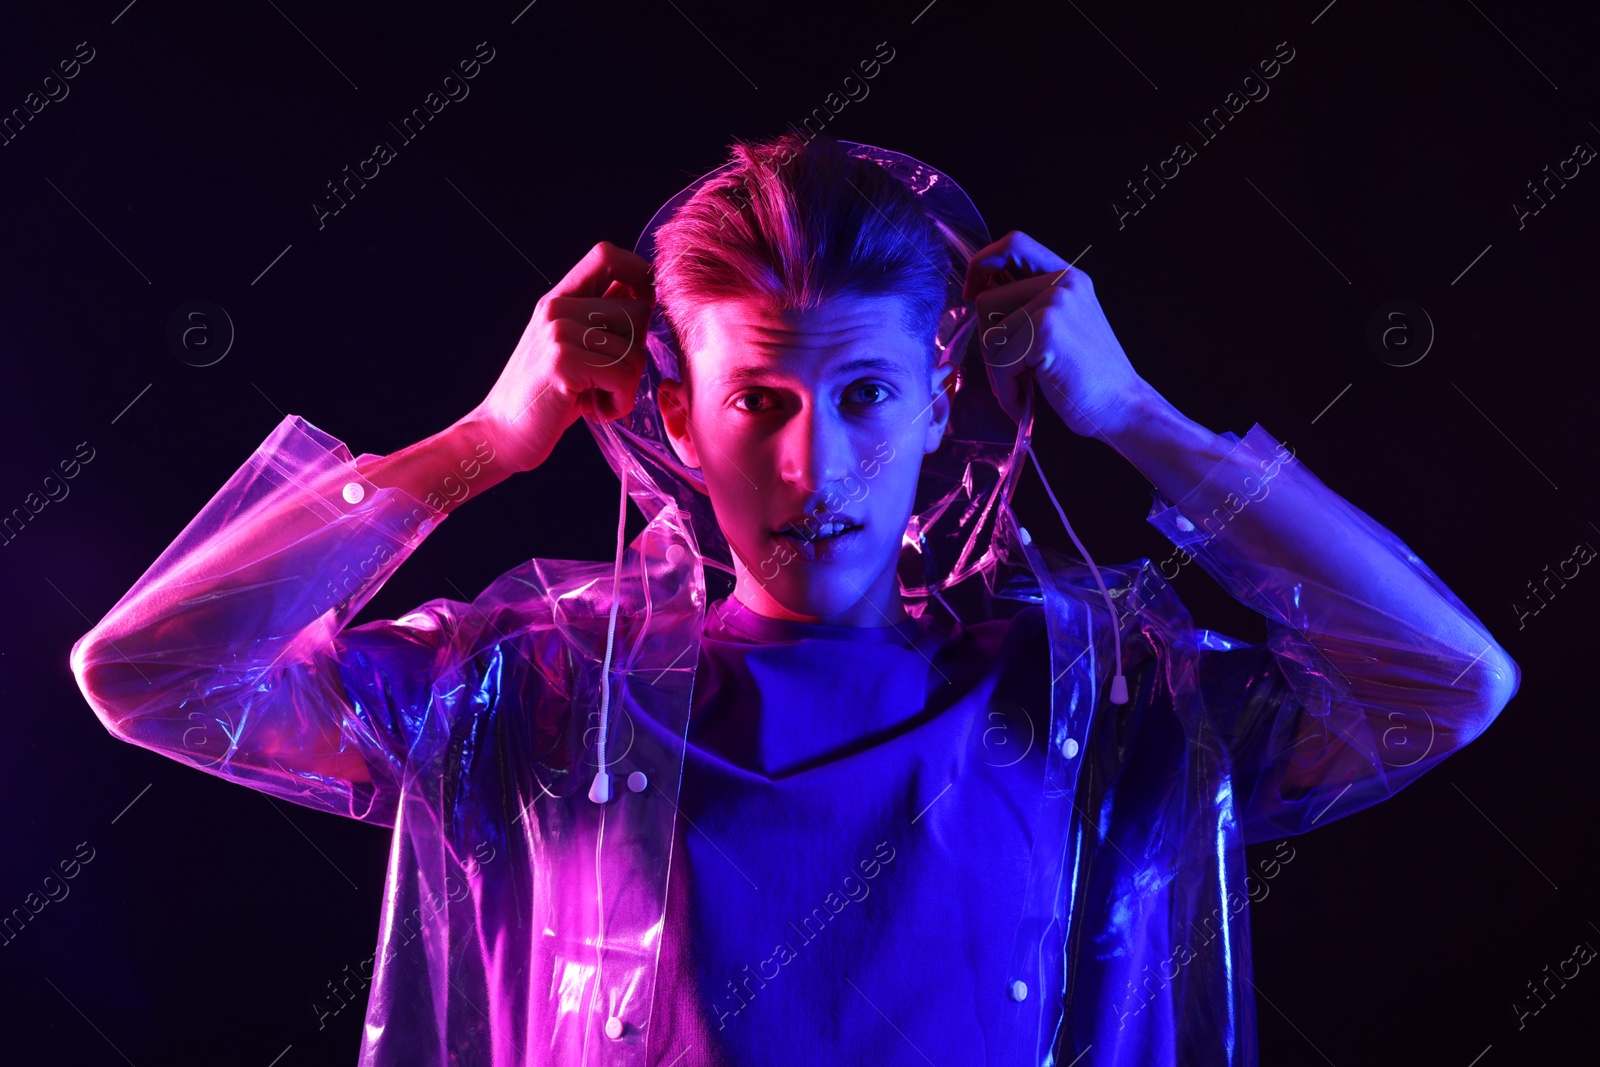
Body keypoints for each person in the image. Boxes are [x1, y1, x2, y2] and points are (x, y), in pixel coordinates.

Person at [70, 132, 1520, 1066]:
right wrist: (481, 444)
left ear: (944, 406)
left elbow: (1444, 682)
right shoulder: (549, 701)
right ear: (677, 421)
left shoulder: (1091, 704)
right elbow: (153, 674)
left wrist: (1142, 417)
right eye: (758, 396)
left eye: (865, 391)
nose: (813, 461)